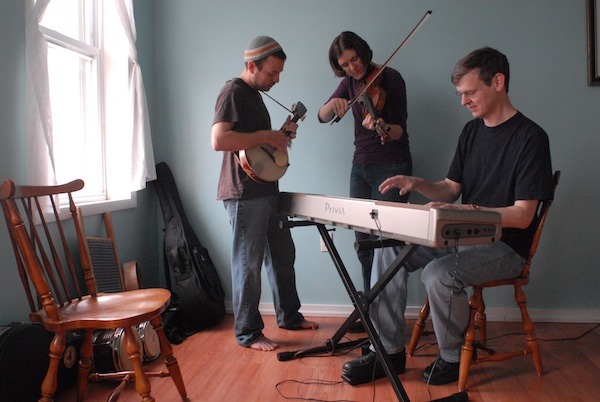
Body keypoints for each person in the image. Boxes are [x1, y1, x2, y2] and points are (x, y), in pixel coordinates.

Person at [340, 46, 553, 386]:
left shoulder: (531, 138)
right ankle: (388, 352)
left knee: (438, 274)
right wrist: (419, 183)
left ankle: (452, 356)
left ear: (497, 82)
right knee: (387, 248)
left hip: (505, 247)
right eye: (460, 94)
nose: (463, 101)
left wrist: (468, 211)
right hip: (462, 235)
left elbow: (523, 216)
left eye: (470, 92)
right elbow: (451, 188)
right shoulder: (471, 132)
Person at [211, 35, 318, 352]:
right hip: (244, 194)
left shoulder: (255, 95)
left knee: (283, 257)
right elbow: (219, 140)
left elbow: (256, 144)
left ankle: (289, 316)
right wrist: (269, 135)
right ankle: (248, 332)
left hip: (266, 189)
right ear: (251, 65)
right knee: (248, 264)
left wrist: (279, 138)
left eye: (279, 73)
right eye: (272, 73)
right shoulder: (233, 92)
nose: (277, 79)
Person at [318, 32, 413, 300]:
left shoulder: (390, 77)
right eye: (345, 64)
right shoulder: (350, 83)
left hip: (392, 165)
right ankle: (371, 305)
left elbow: (399, 131)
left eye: (355, 59)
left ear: (362, 52)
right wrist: (331, 105)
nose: (352, 67)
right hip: (360, 168)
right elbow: (321, 116)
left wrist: (382, 126)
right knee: (363, 243)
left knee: (388, 244)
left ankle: (388, 313)